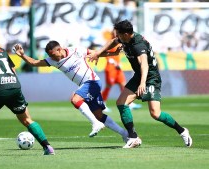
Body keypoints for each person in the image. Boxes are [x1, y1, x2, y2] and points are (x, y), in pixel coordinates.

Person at [89, 20, 192, 148]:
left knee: (155, 113)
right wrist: (98, 53)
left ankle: (182, 131)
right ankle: (133, 137)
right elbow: (112, 42)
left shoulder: (138, 45)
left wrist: (143, 83)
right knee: (121, 103)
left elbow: (144, 64)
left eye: (119, 35)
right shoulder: (125, 39)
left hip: (150, 78)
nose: (117, 37)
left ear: (126, 34)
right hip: (139, 76)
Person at [13, 41, 128, 142]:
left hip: (92, 81)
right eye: (50, 56)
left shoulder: (76, 50)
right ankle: (125, 134)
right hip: (87, 85)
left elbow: (96, 53)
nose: (52, 58)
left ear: (59, 49)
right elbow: (34, 62)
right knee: (99, 115)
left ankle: (95, 124)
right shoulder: (53, 60)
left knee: (75, 99)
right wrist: (22, 55)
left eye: (53, 55)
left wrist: (114, 53)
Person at [101, 35, 142, 113]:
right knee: (108, 86)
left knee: (123, 84)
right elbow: (104, 53)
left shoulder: (119, 41)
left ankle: (129, 103)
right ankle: (103, 104)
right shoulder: (110, 42)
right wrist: (112, 61)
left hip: (118, 68)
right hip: (111, 68)